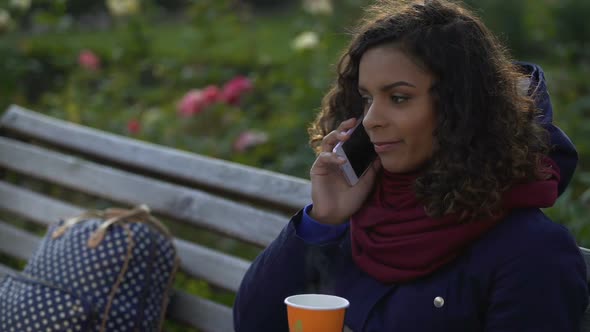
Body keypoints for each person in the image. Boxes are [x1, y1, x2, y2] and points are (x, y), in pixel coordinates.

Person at [233, 0, 589, 331]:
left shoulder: (531, 253)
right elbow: (253, 323)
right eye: (367, 98)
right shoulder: (361, 215)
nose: (371, 120)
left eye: (399, 98)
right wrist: (322, 221)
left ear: (460, 109)